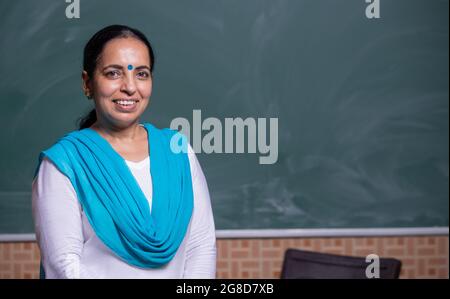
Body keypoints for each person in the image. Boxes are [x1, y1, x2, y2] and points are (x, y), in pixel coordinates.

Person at [31, 25, 216, 279]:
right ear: (88, 83)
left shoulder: (179, 152)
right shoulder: (64, 164)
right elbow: (64, 267)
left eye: (141, 74)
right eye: (113, 73)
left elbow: (201, 248)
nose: (130, 87)